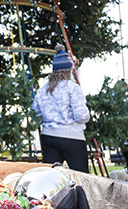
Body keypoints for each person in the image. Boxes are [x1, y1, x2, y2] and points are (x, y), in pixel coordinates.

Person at [32, 45, 91, 173]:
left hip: (48, 136)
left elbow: (36, 112)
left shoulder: (42, 90)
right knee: (82, 177)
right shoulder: (72, 87)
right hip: (72, 137)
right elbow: (81, 115)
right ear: (69, 70)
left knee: (51, 177)